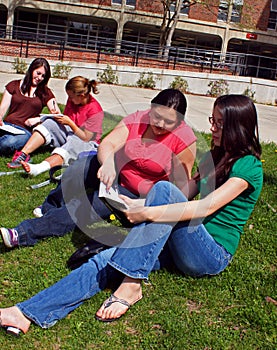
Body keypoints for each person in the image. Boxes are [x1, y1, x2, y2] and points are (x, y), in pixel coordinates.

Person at [0, 94, 263, 335]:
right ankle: (26, 313)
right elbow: (187, 192)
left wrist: (146, 211)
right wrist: (140, 204)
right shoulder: (217, 155)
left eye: (219, 124)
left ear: (237, 127)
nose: (212, 128)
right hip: (181, 240)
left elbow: (202, 207)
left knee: (163, 189)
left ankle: (132, 282)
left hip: (210, 252)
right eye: (212, 121)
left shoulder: (249, 166)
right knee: (105, 260)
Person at [0, 88, 197, 248]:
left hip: (135, 195)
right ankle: (49, 207)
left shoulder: (185, 140)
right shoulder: (138, 118)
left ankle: (23, 233)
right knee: (81, 167)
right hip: (115, 172)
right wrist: (109, 164)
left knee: (86, 206)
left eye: (169, 122)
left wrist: (146, 205)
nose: (160, 124)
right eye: (157, 117)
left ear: (179, 122)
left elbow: (180, 189)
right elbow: (108, 144)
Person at [7, 76, 103, 169]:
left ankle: (38, 168)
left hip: (86, 141)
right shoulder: (73, 101)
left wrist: (70, 123)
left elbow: (86, 137)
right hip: (71, 132)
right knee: (49, 123)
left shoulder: (95, 110)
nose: (69, 99)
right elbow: (67, 118)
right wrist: (57, 116)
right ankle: (23, 154)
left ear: (81, 96)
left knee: (74, 142)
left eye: (71, 96)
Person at [0, 57, 58, 157]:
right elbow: (2, 108)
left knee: (7, 143)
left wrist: (38, 119)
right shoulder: (13, 85)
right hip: (7, 125)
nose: (40, 78)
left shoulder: (45, 92)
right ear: (31, 70)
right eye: (38, 73)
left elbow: (57, 115)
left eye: (43, 76)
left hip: (25, 131)